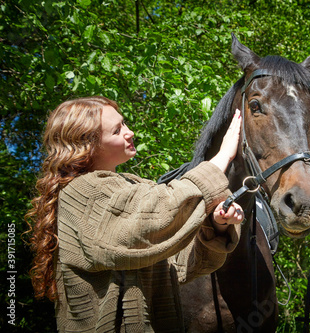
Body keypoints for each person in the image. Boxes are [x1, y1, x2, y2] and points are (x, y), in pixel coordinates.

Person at [25, 96, 245, 332]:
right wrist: (222, 158)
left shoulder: (134, 186)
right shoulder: (79, 194)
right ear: (88, 145)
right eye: (117, 130)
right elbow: (152, 219)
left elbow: (177, 264)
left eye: (125, 124)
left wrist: (217, 225)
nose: (129, 132)